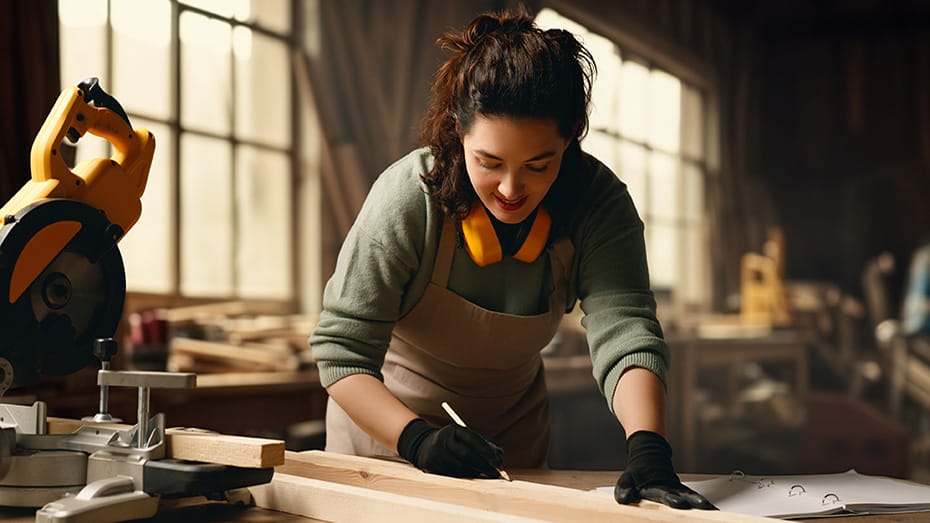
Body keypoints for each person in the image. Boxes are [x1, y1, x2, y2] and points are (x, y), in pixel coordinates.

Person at [309, 7, 715, 510]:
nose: (510, 189)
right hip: (385, 438)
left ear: (570, 138)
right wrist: (416, 439)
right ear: (459, 132)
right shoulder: (409, 197)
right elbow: (341, 352)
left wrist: (649, 447)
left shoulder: (597, 204)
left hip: (512, 441)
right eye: (490, 162)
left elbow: (625, 329)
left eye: (538, 164)